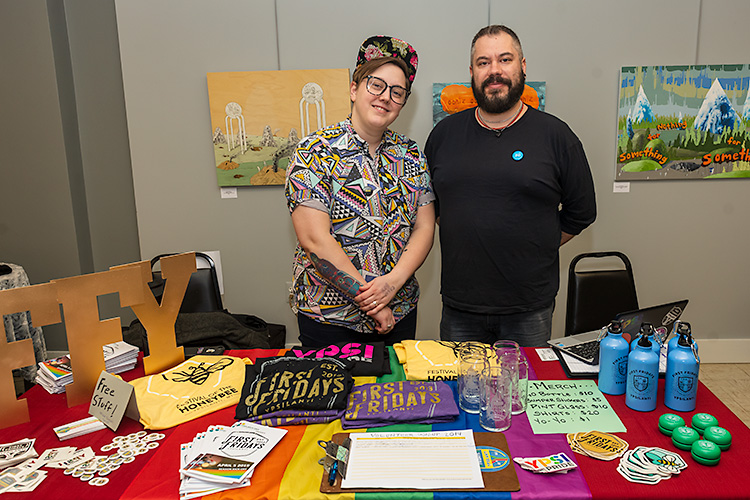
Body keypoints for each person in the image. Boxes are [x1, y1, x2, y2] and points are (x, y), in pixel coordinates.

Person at [424, 25, 596, 347]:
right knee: (463, 394)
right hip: (461, 307)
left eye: (505, 59)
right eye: (484, 62)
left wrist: (538, 243)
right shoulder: (443, 136)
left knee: (522, 394)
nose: (495, 71)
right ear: (472, 71)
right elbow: (431, 207)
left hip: (529, 308)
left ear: (523, 66)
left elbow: (582, 211)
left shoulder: (557, 137)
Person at [285, 35, 436, 348]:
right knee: (333, 398)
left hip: (400, 309)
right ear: (354, 88)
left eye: (397, 92)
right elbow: (315, 240)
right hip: (329, 318)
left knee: (394, 397)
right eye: (376, 85)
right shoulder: (315, 151)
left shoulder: (409, 153)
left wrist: (391, 286)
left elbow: (424, 226)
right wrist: (373, 303)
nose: (385, 98)